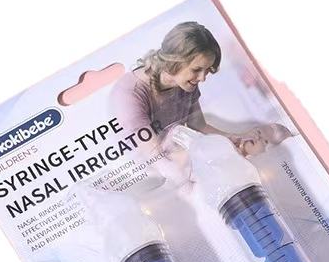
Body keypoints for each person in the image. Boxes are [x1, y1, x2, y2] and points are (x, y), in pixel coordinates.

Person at [110, 21, 290, 159]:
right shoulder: (130, 93)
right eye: (197, 70)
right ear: (174, 61)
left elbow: (199, 125)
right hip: (145, 172)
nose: (202, 78)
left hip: (174, 159)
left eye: (207, 70)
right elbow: (154, 156)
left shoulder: (185, 85)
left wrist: (233, 138)